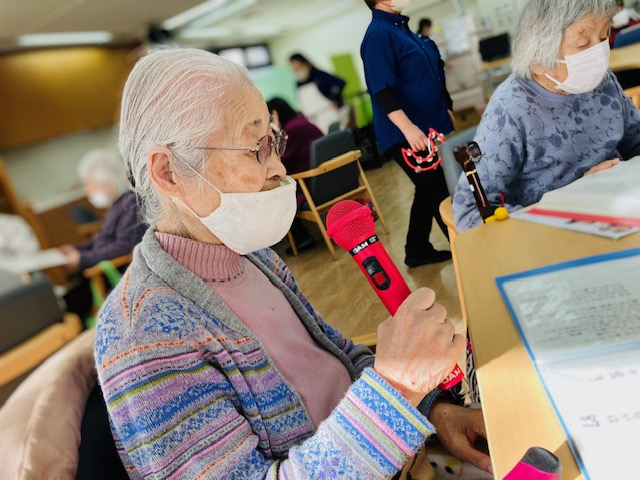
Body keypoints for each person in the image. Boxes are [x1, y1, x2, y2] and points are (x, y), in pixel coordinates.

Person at [94, 48, 492, 479]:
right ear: (169, 173)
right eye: (256, 148)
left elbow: (339, 359)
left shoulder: (254, 257)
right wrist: (397, 388)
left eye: (274, 142)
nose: (279, 167)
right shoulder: (144, 335)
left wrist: (436, 413)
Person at [452, 0, 640, 233]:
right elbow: (471, 212)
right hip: (554, 232)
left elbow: (636, 141)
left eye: (603, 38)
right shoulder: (510, 111)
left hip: (619, 211)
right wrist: (575, 199)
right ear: (538, 61)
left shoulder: (603, 82)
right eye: (583, 43)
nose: (598, 52)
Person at [361, 0, 455, 268]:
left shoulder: (400, 29)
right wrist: (409, 128)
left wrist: (446, 107)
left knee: (426, 189)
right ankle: (468, 252)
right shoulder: (378, 35)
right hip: (405, 134)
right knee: (440, 193)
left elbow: (430, 73)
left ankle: (417, 249)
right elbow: (381, 90)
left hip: (424, 128)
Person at [60, 149, 146, 317]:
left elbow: (124, 247)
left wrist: (82, 259)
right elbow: (102, 240)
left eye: (88, 184)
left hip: (113, 277)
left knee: (66, 308)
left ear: (107, 182)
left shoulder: (131, 204)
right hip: (101, 271)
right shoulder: (118, 205)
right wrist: (78, 251)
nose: (87, 191)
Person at [267, 97, 323, 254]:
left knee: (279, 197)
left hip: (310, 181)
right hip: (324, 176)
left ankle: (302, 238)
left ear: (275, 114)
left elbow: (284, 162)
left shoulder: (291, 130)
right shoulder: (300, 121)